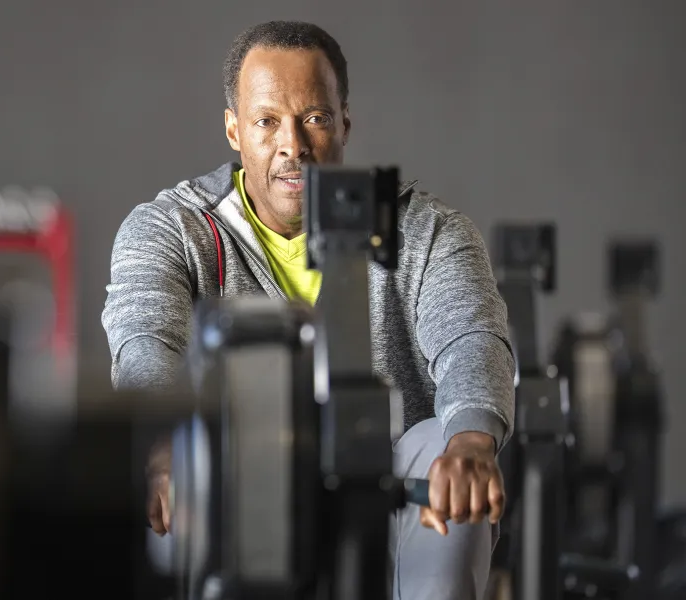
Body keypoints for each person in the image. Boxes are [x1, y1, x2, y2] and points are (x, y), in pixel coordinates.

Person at [102, 20, 516, 600]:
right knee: (177, 472)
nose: (291, 145)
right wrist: (164, 456)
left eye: (314, 119)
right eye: (267, 121)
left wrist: (471, 443)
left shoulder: (429, 231)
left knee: (437, 446)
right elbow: (147, 341)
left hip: (388, 492)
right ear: (233, 130)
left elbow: (472, 338)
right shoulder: (169, 230)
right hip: (237, 483)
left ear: (345, 122)